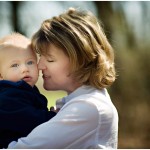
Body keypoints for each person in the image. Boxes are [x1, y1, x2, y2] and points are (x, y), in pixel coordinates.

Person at [7, 8, 118, 149]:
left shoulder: (88, 107)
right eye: (40, 57)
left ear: (80, 61)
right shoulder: (78, 102)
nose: (40, 66)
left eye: (50, 59)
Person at [0, 33, 56, 148]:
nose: (25, 69)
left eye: (30, 62)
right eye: (15, 65)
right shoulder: (8, 96)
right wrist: (52, 117)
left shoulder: (25, 90)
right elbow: (29, 119)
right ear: (0, 75)